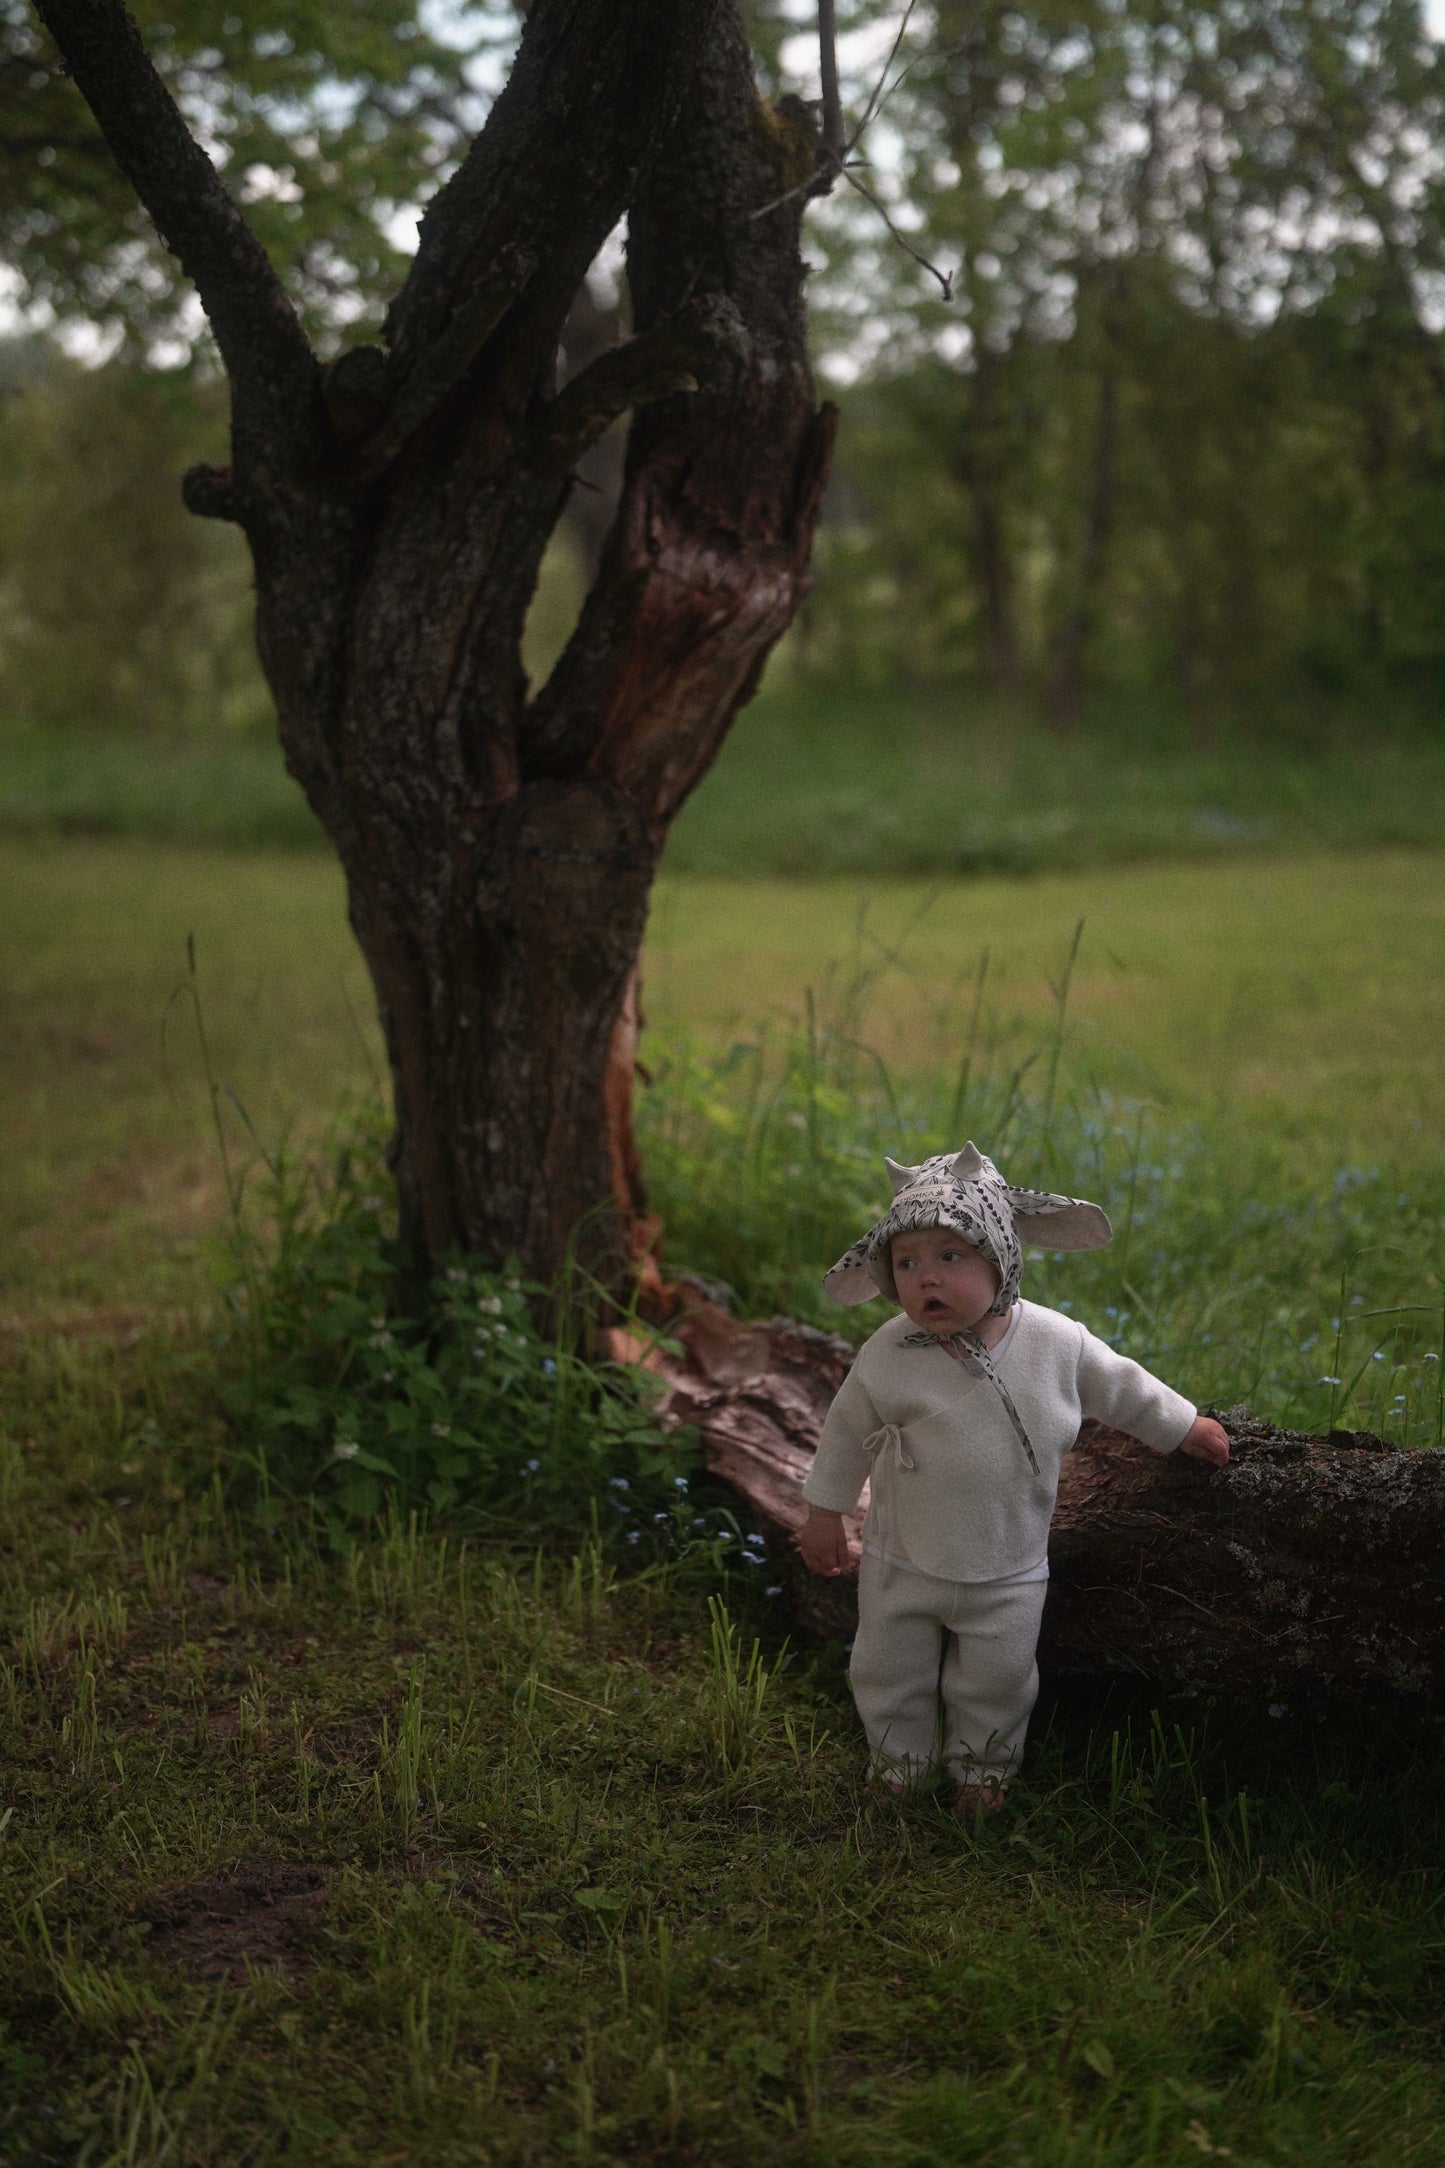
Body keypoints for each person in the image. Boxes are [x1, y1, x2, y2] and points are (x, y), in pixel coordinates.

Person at [798, 1144, 1229, 1815]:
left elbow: (1121, 1387)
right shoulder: (885, 1354)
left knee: (996, 1679)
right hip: (899, 1559)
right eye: (905, 1262)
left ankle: (982, 1771)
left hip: (1007, 1566)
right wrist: (824, 1512)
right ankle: (899, 1762)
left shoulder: (1055, 1344)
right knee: (888, 1667)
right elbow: (845, 1433)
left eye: (949, 1256)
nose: (925, 1279)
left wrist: (1180, 1425)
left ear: (1000, 1256)